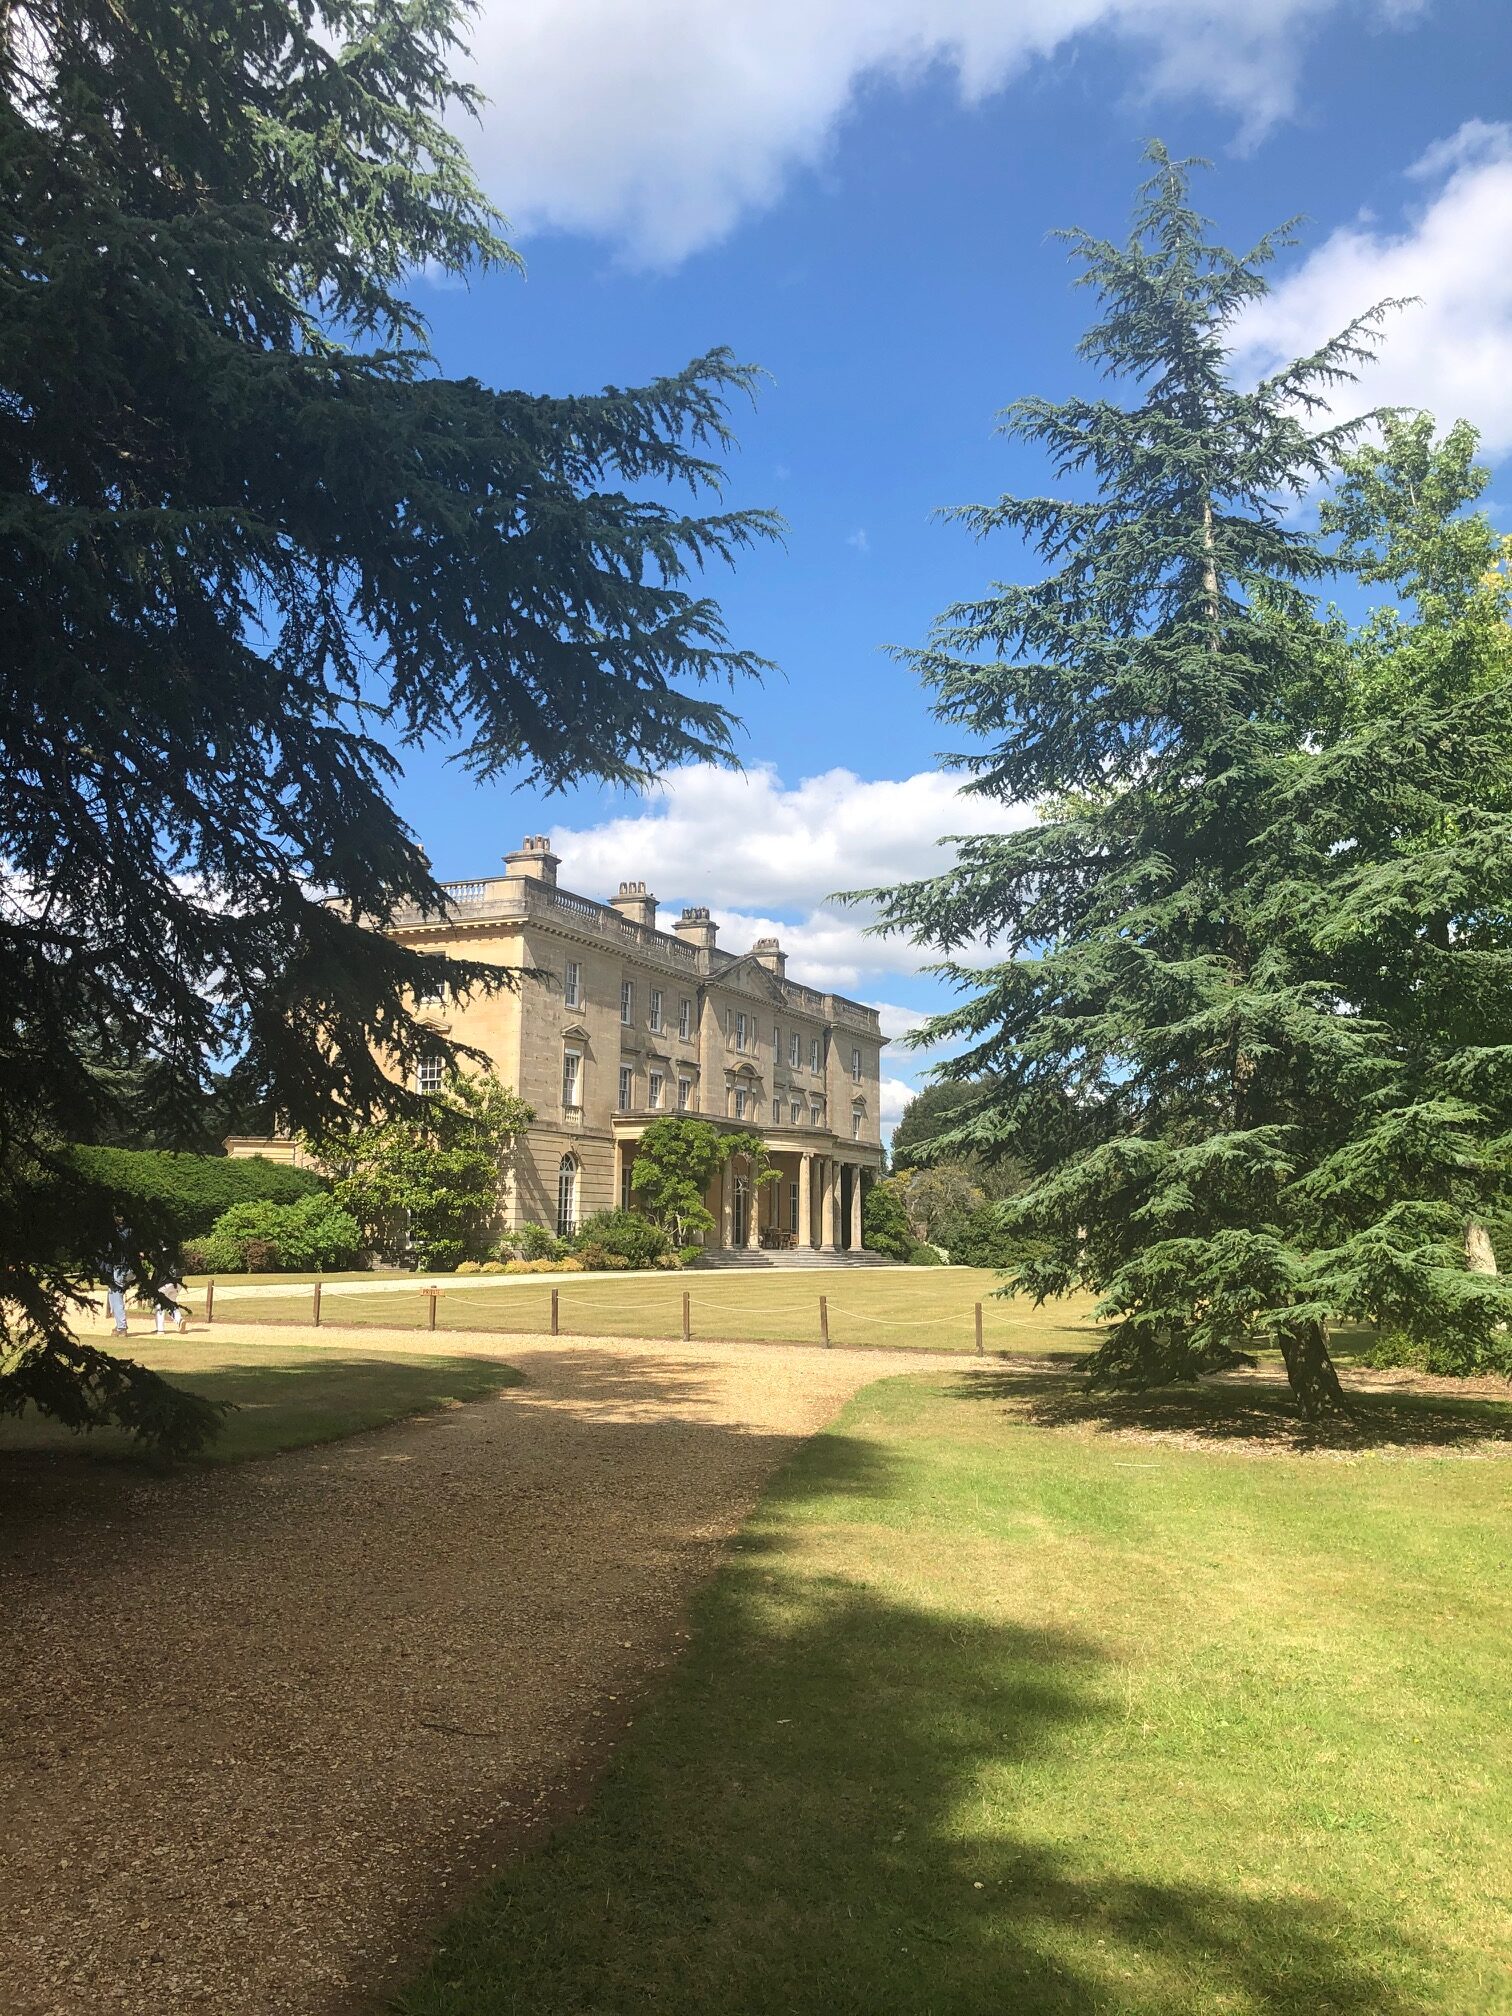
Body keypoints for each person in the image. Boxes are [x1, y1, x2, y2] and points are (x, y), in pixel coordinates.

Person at [104, 1214, 133, 1336]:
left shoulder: (116, 1236)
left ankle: (122, 1327)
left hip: (119, 1268)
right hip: (129, 1268)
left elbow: (109, 1251)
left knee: (116, 1296)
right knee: (113, 1296)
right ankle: (118, 1325)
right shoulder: (131, 1233)